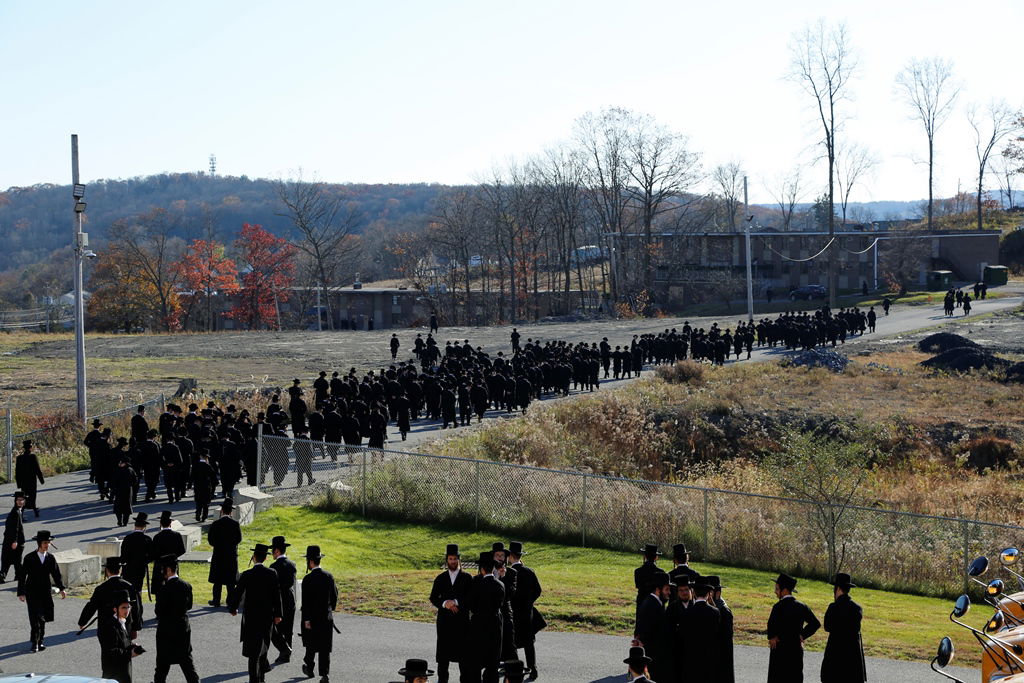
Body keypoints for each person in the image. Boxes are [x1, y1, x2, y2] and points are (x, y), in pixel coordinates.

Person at [229, 542, 283, 683]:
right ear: (266, 558)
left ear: (254, 557)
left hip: (251, 617)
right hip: (266, 616)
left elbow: (237, 593)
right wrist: (278, 614)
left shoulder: (247, 574)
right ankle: (261, 678)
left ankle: (254, 679)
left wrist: (233, 608)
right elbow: (276, 595)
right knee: (263, 646)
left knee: (253, 651)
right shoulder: (271, 573)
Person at [153, 555, 201, 683]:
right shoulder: (186, 585)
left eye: (163, 569)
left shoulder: (163, 589)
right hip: (182, 627)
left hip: (166, 629)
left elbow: (158, 611)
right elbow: (189, 606)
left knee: (162, 665)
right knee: (187, 662)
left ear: (168, 569)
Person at [429, 543, 472, 683]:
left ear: (459, 559)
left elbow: (471, 598)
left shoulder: (467, 578)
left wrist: (456, 602)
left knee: (464, 657)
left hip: (462, 622)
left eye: (455, 559)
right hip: (445, 622)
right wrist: (445, 603)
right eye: (450, 559)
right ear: (447, 560)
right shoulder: (440, 578)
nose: (453, 561)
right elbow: (433, 597)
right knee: (443, 657)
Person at [17, 529, 66, 652]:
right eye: (45, 543)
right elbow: (22, 576)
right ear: (39, 543)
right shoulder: (29, 558)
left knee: (43, 619)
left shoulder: (50, 558)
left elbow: (56, 574)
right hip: (32, 592)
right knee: (34, 618)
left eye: (48, 543)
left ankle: (40, 641)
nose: (47, 545)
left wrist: (61, 588)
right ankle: (35, 643)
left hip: (45, 592)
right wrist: (21, 592)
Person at [766, 573, 820, 683]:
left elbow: (771, 625)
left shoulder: (778, 607)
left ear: (784, 590)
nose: (775, 591)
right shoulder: (802, 606)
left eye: (777, 589)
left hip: (779, 650)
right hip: (795, 649)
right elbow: (815, 623)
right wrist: (803, 635)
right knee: (794, 677)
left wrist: (772, 637)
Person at [79, 556, 143, 638]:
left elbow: (91, 606)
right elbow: (136, 608)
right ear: (120, 570)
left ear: (107, 570)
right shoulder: (129, 587)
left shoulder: (101, 588)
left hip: (105, 627)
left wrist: (83, 621)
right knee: (124, 645)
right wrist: (136, 627)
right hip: (125, 626)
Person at [300, 544, 338, 683]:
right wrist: (330, 609)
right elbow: (334, 596)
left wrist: (306, 619)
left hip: (312, 618)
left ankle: (309, 667)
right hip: (326, 617)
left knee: (310, 644)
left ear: (310, 561)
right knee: (324, 647)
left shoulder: (307, 579)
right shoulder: (329, 576)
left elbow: (306, 602)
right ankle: (324, 674)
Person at [820, 573, 866, 683]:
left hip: (834, 652)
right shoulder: (857, 608)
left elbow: (827, 627)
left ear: (838, 589)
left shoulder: (833, 607)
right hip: (851, 654)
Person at [508, 541, 543, 681]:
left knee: (513, 642)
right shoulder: (529, 572)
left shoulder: (510, 573)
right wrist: (529, 601)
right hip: (527, 612)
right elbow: (538, 590)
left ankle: (515, 669)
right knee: (529, 643)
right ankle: (533, 668)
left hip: (513, 611)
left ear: (510, 556)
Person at [469, 551, 505, 683]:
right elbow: (500, 603)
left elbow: (471, 604)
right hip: (495, 623)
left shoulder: (476, 584)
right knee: (492, 661)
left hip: (479, 624)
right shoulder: (500, 585)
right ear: (493, 568)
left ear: (482, 569)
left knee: (476, 660)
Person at [633, 571, 671, 683]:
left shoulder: (655, 603)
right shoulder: (652, 605)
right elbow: (647, 632)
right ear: (658, 590)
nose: (669, 593)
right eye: (667, 589)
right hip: (655, 657)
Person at [98, 589, 143, 683]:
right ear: (115, 609)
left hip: (124, 669)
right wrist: (130, 653)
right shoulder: (109, 627)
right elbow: (111, 651)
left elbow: (120, 643)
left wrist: (131, 646)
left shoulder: (123, 622)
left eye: (128, 607)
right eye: (123, 607)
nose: (127, 610)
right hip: (114, 672)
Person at [679, 582, 720, 682]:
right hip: (709, 656)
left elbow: (682, 635)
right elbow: (717, 635)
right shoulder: (715, 612)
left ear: (694, 593)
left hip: (691, 656)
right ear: (708, 594)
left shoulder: (687, 612)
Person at [208, 498, 241, 607]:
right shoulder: (235, 524)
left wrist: (219, 545)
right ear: (231, 512)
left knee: (217, 580)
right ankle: (230, 601)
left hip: (218, 554)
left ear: (222, 510)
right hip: (231, 555)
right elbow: (239, 539)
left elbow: (210, 540)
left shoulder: (215, 524)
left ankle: (216, 600)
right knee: (230, 581)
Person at [270, 535, 297, 664]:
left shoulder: (274, 566)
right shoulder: (292, 564)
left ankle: (284, 650)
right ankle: (287, 653)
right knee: (289, 628)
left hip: (279, 599)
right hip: (290, 598)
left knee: (275, 628)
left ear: (276, 551)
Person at [152, 510, 186, 597]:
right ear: (171, 523)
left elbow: (153, 553)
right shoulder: (177, 535)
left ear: (160, 523)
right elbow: (182, 550)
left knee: (160, 588)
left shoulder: (157, 537)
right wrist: (173, 557)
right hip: (172, 564)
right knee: (173, 585)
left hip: (160, 565)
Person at [708, 575, 735, 683]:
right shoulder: (713, 608)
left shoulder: (724, 611)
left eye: (710, 592)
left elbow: (725, 639)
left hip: (721, 657)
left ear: (717, 593)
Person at [120, 512, 153, 598]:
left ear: (135, 525)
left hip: (128, 568)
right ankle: (138, 603)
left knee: (127, 589)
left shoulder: (128, 538)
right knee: (138, 589)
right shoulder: (147, 539)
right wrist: (144, 562)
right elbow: (152, 555)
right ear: (144, 527)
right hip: (140, 568)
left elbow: (123, 555)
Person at [1, 490, 26, 583]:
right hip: (14, 540)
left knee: (12, 558)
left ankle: (16, 575)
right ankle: (12, 575)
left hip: (10, 539)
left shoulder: (18, 511)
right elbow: (14, 528)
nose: (20, 502)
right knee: (13, 558)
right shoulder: (15, 512)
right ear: (15, 501)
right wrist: (14, 540)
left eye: (22, 500)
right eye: (18, 500)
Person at [15, 439, 44, 517]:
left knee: (24, 496)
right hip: (32, 480)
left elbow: (17, 472)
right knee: (32, 496)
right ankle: (34, 511)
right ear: (30, 447)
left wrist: (18, 483)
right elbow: (37, 469)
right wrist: (41, 479)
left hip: (23, 481)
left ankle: (25, 512)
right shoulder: (32, 456)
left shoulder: (19, 458)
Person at [110, 455, 138, 527]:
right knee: (127, 507)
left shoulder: (118, 470)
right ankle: (125, 522)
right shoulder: (131, 470)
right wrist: (130, 485)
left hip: (118, 490)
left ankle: (120, 520)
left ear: (124, 463)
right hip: (128, 490)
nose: (119, 463)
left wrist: (113, 489)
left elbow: (113, 481)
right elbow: (135, 480)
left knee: (118, 507)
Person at [634, 544, 662, 610]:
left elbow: (638, 585)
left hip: (642, 600)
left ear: (645, 556)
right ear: (656, 557)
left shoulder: (638, 571)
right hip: (655, 602)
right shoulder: (660, 572)